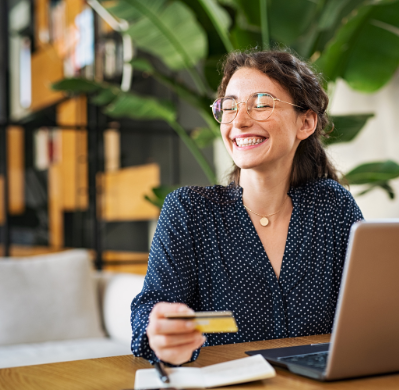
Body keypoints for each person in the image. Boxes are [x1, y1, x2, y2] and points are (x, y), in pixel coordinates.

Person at [131, 50, 363, 366]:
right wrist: (158, 332)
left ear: (305, 122)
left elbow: (370, 312)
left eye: (262, 104)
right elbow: (150, 309)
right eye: (229, 106)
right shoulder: (189, 211)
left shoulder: (332, 207)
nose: (239, 121)